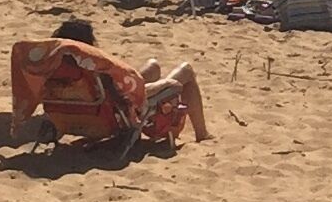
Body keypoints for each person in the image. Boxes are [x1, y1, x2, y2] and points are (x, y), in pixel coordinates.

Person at [21, 16, 210, 142]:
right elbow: (121, 97)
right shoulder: (92, 68)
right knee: (186, 71)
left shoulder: (51, 68)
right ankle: (202, 134)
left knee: (153, 66)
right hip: (114, 112)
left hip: (71, 116)